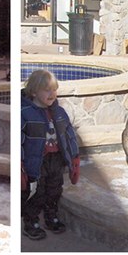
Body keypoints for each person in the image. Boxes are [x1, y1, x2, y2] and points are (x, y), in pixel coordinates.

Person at [21, 69, 80, 241]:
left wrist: (74, 157)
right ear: (33, 91)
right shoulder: (25, 113)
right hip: (36, 161)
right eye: (47, 90)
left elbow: (69, 135)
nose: (52, 93)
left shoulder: (59, 112)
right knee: (37, 193)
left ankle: (51, 217)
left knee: (54, 190)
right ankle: (31, 222)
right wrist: (20, 165)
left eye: (54, 89)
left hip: (56, 159)